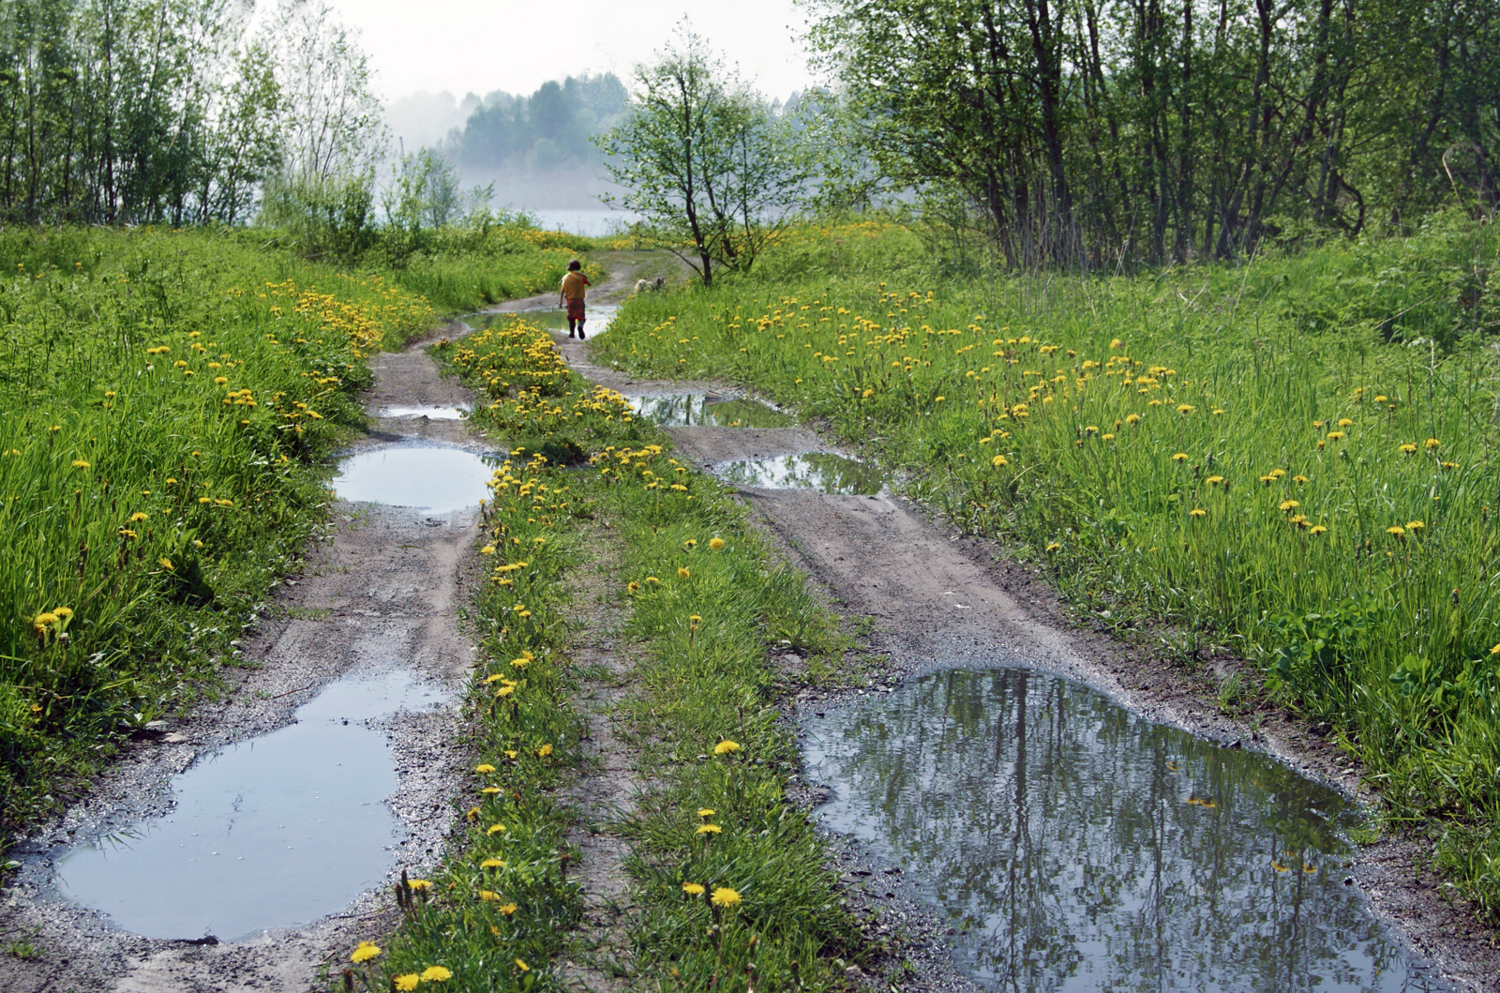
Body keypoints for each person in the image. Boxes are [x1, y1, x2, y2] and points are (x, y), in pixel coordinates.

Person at [559, 259, 591, 339]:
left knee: (571, 317)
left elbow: (562, 289)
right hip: (579, 300)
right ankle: (580, 325)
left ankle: (571, 333)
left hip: (570, 301)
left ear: (569, 267)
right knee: (581, 317)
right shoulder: (581, 276)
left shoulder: (565, 278)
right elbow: (589, 284)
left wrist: (560, 301)